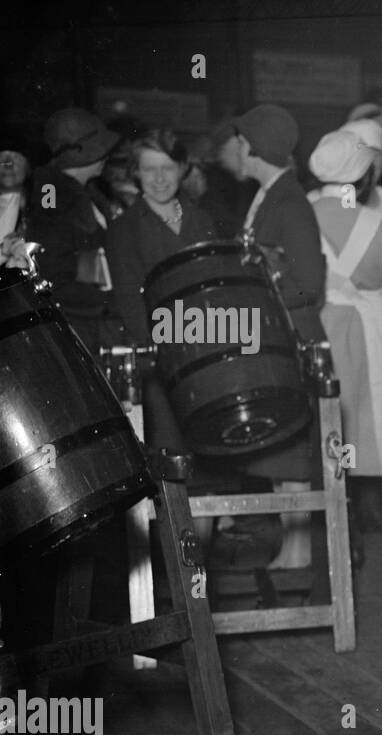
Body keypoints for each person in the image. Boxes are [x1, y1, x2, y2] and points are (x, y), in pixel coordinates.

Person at [105, 129, 221, 525]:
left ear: (183, 168)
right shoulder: (123, 229)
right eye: (148, 169)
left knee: (207, 467)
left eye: (167, 168)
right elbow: (129, 301)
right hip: (161, 363)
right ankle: (178, 573)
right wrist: (160, 348)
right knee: (172, 466)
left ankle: (201, 572)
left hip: (205, 359)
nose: (158, 178)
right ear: (135, 174)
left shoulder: (202, 219)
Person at [230, 103, 327, 570]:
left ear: (252, 147)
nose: (235, 149)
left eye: (240, 140)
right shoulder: (271, 194)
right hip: (276, 337)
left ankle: (299, 550)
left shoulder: (289, 201)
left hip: (292, 337)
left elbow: (310, 281)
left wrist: (264, 282)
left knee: (293, 457)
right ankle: (293, 548)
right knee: (283, 456)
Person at [307, 130, 382, 564]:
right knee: (364, 425)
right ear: (363, 175)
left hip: (318, 329)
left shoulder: (302, 214)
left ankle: (339, 531)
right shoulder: (377, 223)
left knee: (328, 429)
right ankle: (362, 521)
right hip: (366, 333)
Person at [25, 108, 120, 351]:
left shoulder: (84, 191)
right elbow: (49, 261)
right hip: (76, 323)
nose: (106, 156)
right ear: (81, 152)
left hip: (92, 319)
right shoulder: (52, 191)